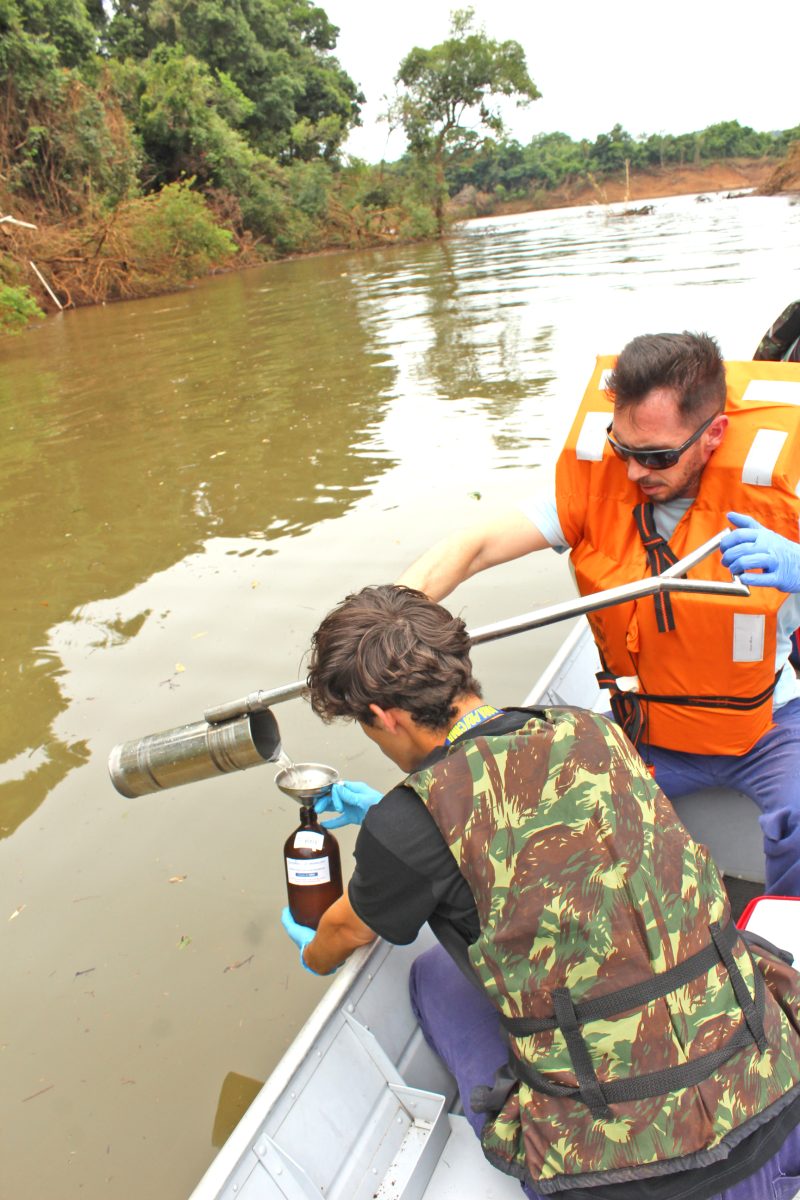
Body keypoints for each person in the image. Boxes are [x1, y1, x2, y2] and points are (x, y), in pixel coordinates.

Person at [281, 584, 800, 1200]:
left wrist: (313, 948)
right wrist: (390, 831)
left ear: (385, 717)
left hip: (623, 1183)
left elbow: (343, 930)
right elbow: (536, 823)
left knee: (433, 977)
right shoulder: (594, 733)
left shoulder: (407, 823)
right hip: (775, 1107)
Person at [397, 332, 800, 897]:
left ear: (714, 434)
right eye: (623, 449)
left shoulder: (786, 492)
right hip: (645, 730)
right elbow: (477, 544)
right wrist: (392, 608)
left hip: (769, 727)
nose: (636, 473)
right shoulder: (599, 486)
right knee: (516, 814)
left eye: (658, 457)